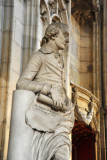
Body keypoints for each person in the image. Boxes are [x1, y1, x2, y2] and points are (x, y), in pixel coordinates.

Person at [16, 22, 75, 160]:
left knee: (63, 153)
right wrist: (48, 89)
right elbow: (21, 83)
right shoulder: (40, 56)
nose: (67, 40)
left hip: (60, 116)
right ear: (53, 35)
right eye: (65, 35)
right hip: (43, 116)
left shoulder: (60, 59)